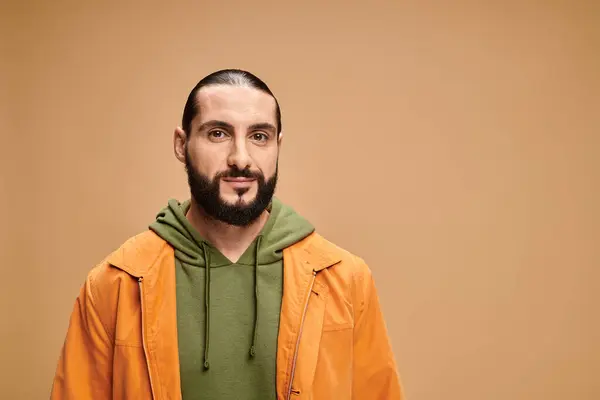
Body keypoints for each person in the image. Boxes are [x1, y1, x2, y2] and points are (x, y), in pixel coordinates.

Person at [50, 69, 404, 399]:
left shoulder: (345, 279)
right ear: (181, 144)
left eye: (259, 136)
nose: (240, 157)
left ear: (278, 145)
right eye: (218, 133)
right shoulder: (115, 284)